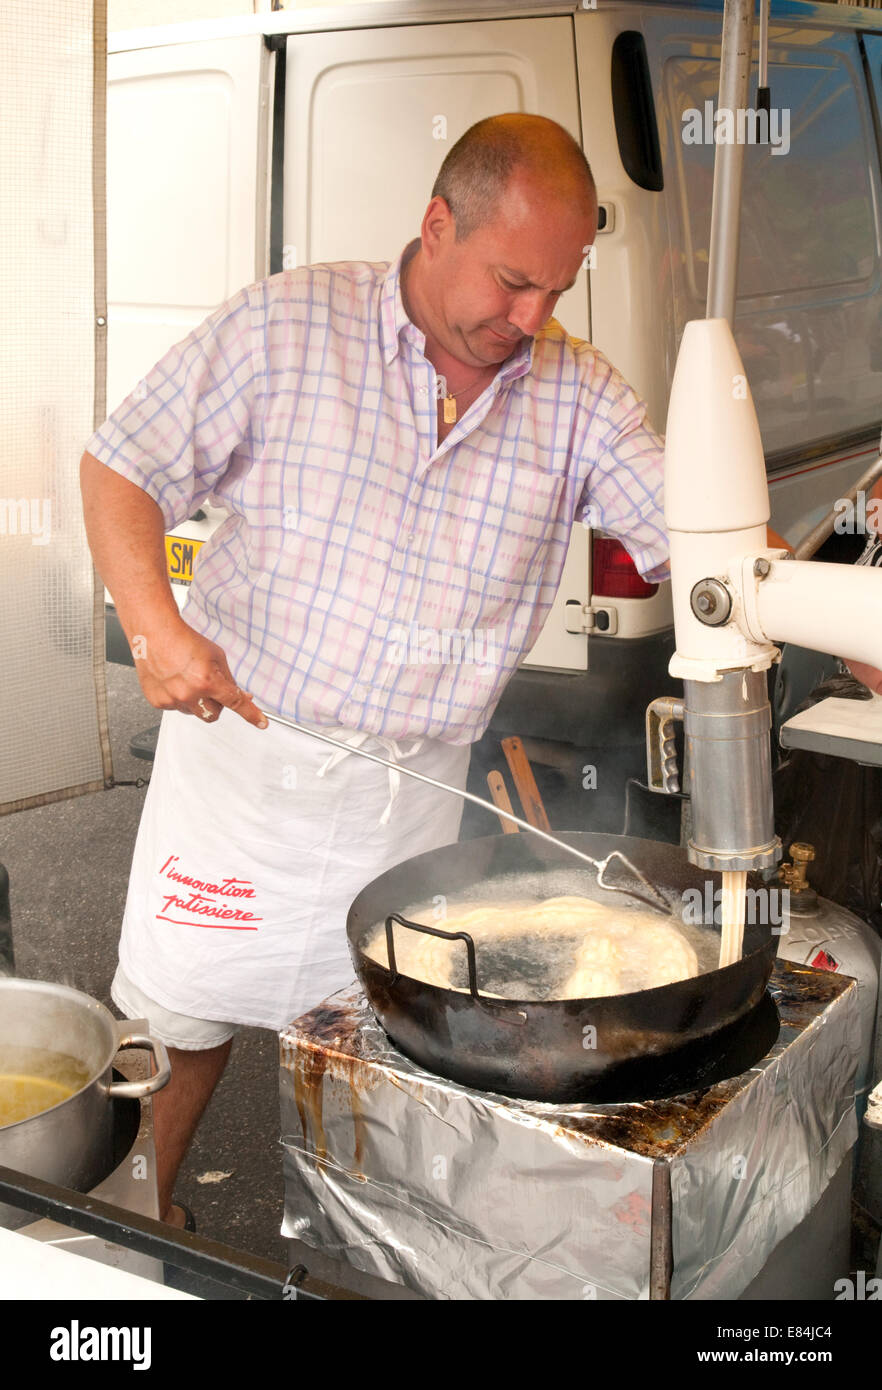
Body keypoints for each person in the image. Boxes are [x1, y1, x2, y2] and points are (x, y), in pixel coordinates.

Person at [79, 113, 672, 1227]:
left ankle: (363, 1256)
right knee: (175, 1021)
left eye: (557, 288)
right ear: (436, 221)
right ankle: (123, 1235)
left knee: (379, 1064)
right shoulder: (287, 327)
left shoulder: (578, 392)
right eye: (510, 282)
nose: (532, 318)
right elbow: (121, 464)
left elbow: (694, 533)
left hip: (408, 805)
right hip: (244, 768)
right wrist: (155, 626)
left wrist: (833, 611)